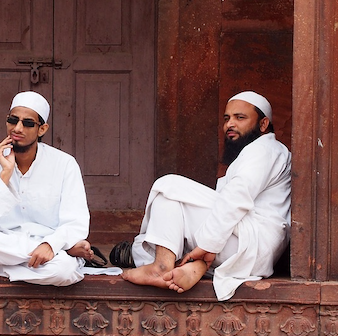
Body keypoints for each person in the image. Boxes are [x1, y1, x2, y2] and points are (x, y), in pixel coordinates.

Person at [119, 91, 291, 300]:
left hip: (250, 243)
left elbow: (236, 197)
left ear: (263, 124)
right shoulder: (253, 153)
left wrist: (208, 246)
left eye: (240, 117)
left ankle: (162, 267)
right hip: (247, 250)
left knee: (168, 186)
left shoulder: (265, 149)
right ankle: (193, 267)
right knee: (143, 243)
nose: (230, 124)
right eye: (226, 118)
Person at [0, 91, 91, 286]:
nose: (18, 128)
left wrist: (50, 244)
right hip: (3, 243)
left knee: (63, 271)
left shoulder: (65, 164)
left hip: (47, 245)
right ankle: (30, 257)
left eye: (28, 123)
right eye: (13, 120)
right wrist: (4, 176)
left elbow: (76, 222)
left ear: (42, 129)